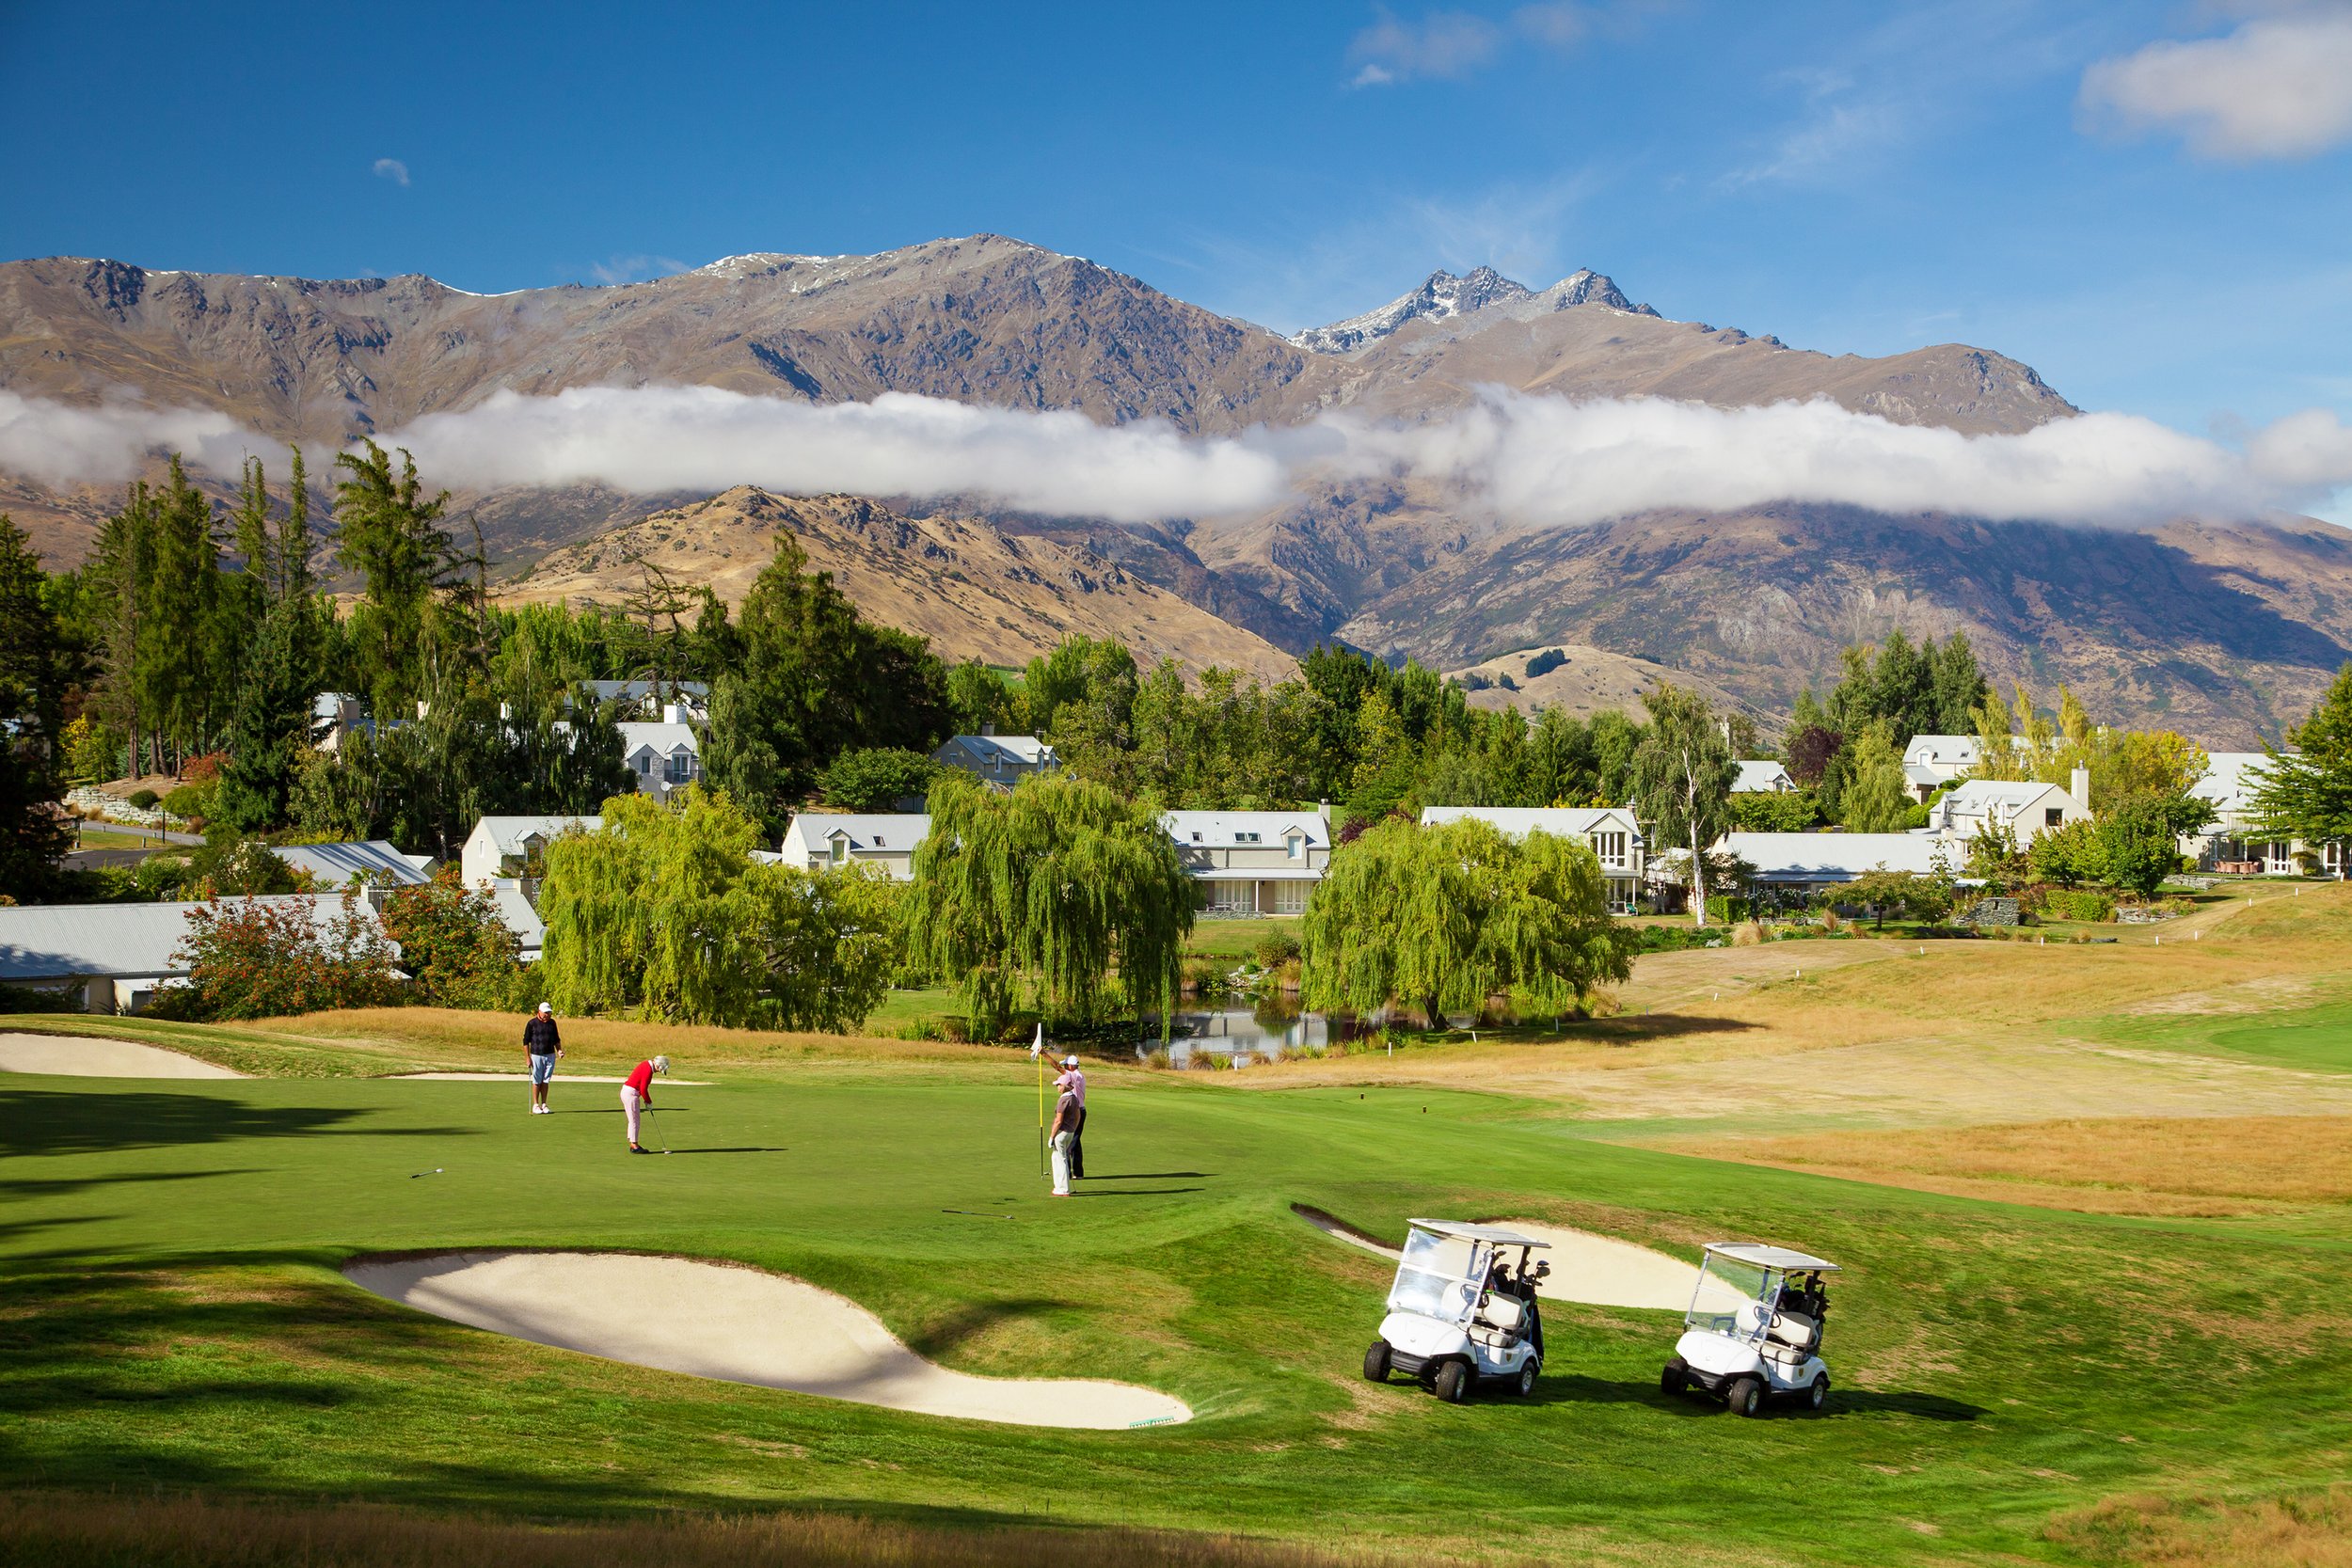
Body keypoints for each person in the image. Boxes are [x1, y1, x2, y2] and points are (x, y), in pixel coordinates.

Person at [620, 1054, 669, 1153]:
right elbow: (643, 1089)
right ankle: (634, 1146)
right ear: (658, 1065)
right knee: (635, 1120)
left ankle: (633, 1143)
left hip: (628, 1092)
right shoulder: (648, 1070)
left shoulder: (646, 1065)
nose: (659, 1071)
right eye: (660, 1069)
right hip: (631, 1094)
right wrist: (648, 1102)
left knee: (633, 1120)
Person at [523, 1002, 563, 1115]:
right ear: (539, 1012)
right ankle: (536, 1105)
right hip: (536, 1055)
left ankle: (544, 1104)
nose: (548, 1015)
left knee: (545, 1080)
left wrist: (559, 1050)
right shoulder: (532, 1023)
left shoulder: (552, 1023)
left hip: (550, 1055)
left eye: (549, 1012)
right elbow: (526, 1042)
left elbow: (556, 1039)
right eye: (546, 1012)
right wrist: (527, 1057)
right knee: (537, 1081)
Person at [1053, 1053, 1087, 1180]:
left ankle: (1067, 1172)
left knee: (1070, 1141)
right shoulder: (1079, 1075)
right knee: (1075, 1141)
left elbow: (1056, 1067)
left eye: (1066, 1065)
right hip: (1080, 1110)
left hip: (1075, 1111)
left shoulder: (1074, 1075)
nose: (1065, 1068)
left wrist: (1043, 1054)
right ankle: (1078, 1172)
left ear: (1071, 1066)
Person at [1047, 1074, 1079, 1196]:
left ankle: (1063, 1189)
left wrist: (1051, 1137)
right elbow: (1078, 1116)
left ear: (1064, 1086)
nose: (1057, 1087)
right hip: (1070, 1132)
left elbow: (1058, 1121)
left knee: (1060, 1160)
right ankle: (1059, 1187)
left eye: (1059, 1085)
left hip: (1061, 1134)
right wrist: (1073, 1129)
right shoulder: (1074, 1098)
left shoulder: (1063, 1100)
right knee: (1057, 1158)